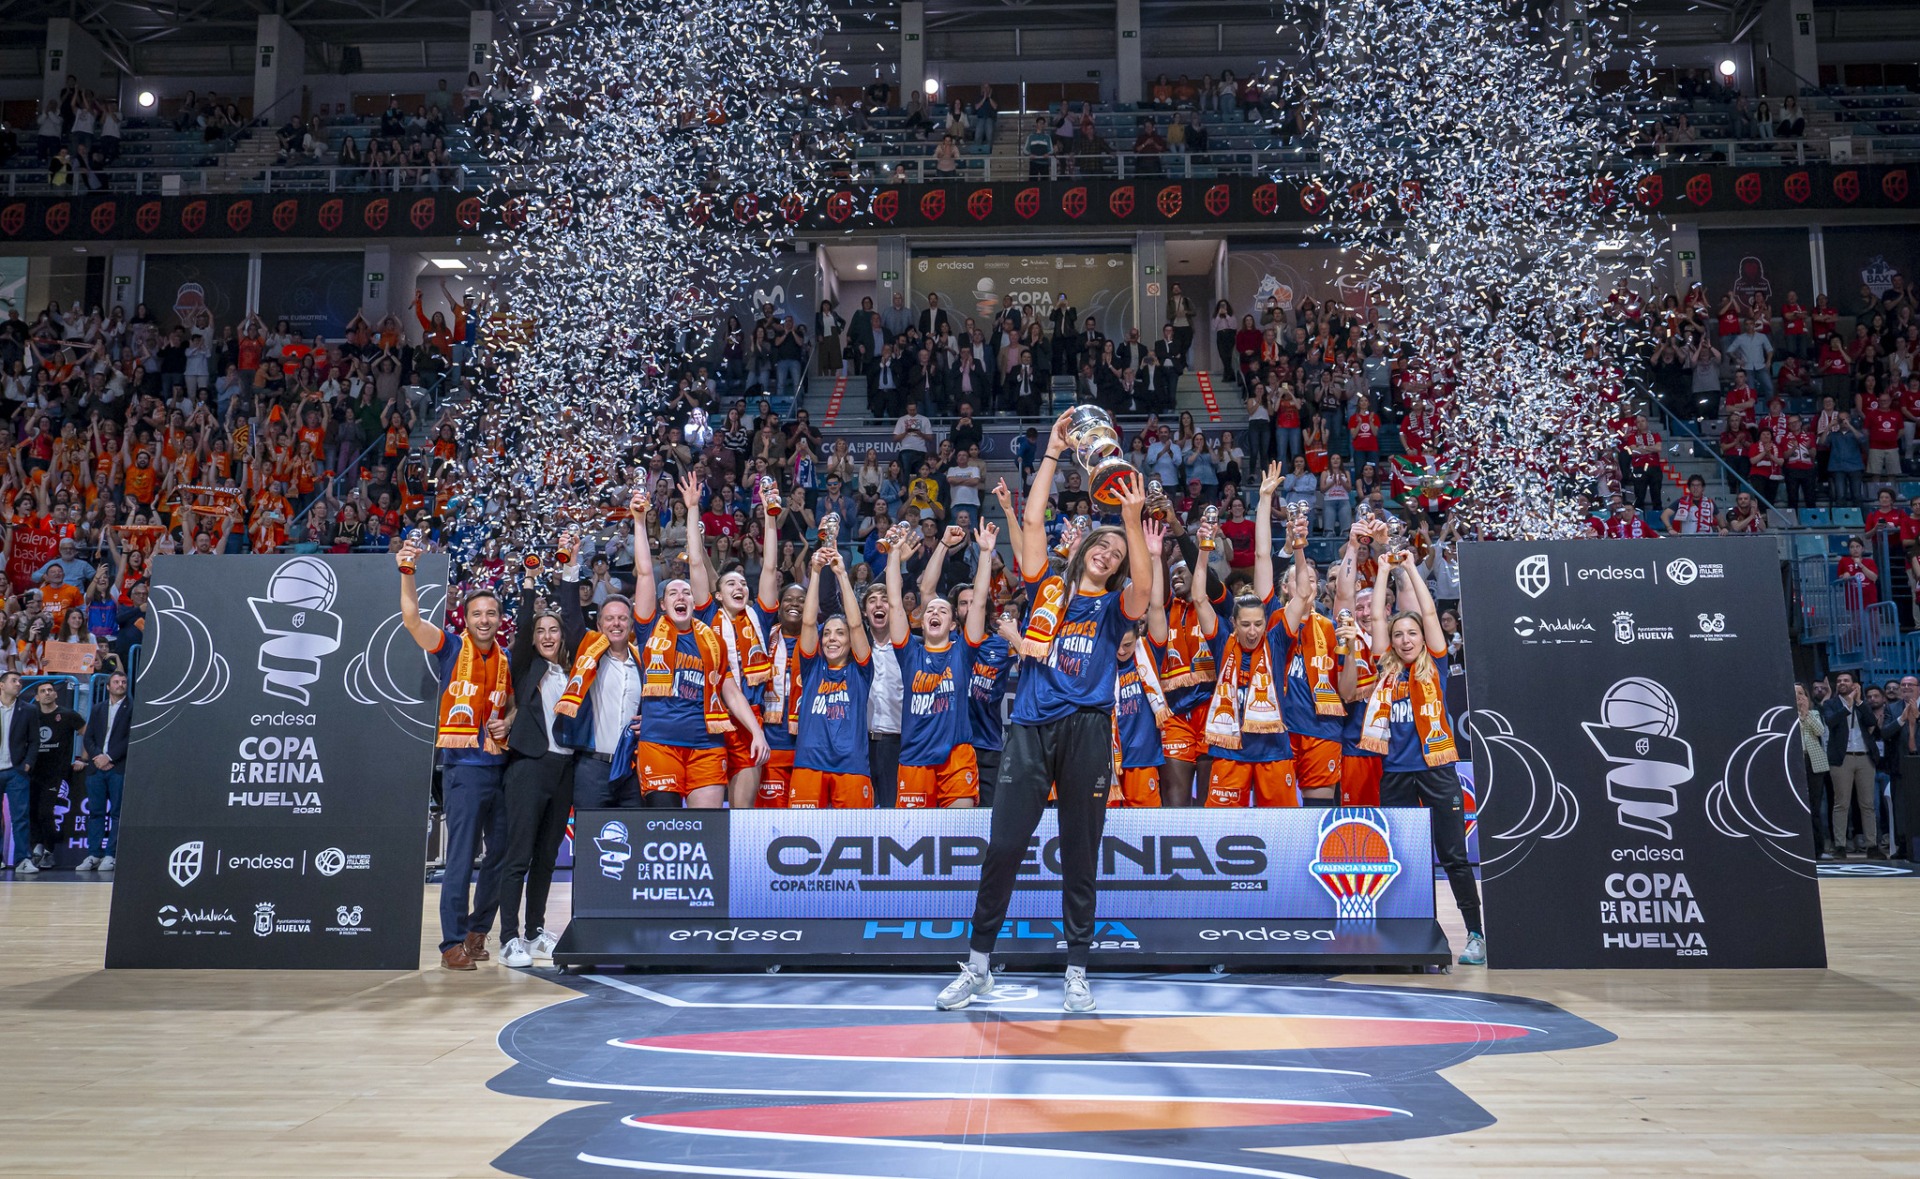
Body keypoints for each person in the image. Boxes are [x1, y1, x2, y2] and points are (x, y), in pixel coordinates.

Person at [938, 413, 1152, 1014]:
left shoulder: (1115, 609)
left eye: (1117, 552)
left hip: (1087, 729)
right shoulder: (1047, 589)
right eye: (1101, 545)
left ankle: (1077, 969)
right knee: (1003, 847)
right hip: (1030, 729)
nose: (1109, 555)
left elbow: (1143, 591)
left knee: (1081, 853)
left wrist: (1131, 519)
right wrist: (1055, 450)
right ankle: (978, 965)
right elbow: (1031, 521)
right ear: (1081, 549)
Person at [1345, 532, 1486, 966]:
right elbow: (1375, 626)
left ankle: (1476, 935)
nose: (1406, 639)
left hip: (1437, 768)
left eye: (1412, 634)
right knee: (1402, 861)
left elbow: (1428, 610)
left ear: (1423, 639)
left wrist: (1408, 564)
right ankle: (1416, 935)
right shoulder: (1386, 667)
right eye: (1399, 634)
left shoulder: (1437, 664)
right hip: (1397, 774)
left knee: (1454, 858)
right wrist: (1383, 567)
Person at [396, 535, 512, 971]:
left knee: (498, 858)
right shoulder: (450, 647)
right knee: (461, 860)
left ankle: (477, 932)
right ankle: (449, 945)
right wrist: (407, 573)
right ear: (465, 619)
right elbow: (411, 620)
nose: (484, 620)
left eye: (491, 613)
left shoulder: (505, 658)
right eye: (477, 614)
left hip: (501, 767)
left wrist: (510, 721)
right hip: (463, 768)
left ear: (500, 619)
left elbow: (513, 705)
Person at [630, 494, 768, 808]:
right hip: (660, 743)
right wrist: (639, 522)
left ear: (694, 603)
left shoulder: (710, 637)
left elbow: (730, 690)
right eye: (673, 592)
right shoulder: (649, 628)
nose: (681, 595)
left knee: (704, 834)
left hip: (706, 745)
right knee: (664, 830)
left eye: (687, 592)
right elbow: (644, 573)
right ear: (663, 605)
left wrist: (756, 732)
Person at [1187, 469, 1305, 808]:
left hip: (1273, 749)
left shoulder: (1277, 638)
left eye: (1258, 624)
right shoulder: (1223, 638)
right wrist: (1205, 550)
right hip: (1230, 748)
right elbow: (1199, 598)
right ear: (1235, 624)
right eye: (1246, 625)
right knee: (1221, 825)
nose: (1253, 631)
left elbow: (1289, 584)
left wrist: (1294, 540)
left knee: (1283, 829)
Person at [496, 568, 578, 969]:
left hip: (564, 769)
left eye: (554, 630)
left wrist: (570, 577)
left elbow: (577, 621)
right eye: (541, 630)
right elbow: (525, 623)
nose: (547, 635)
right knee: (519, 856)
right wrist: (528, 585)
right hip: (529, 767)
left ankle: (534, 931)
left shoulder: (573, 671)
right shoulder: (527, 666)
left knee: (547, 856)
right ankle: (508, 938)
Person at [887, 522, 996, 807]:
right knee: (913, 839)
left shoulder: (962, 651)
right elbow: (895, 603)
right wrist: (893, 555)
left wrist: (985, 553)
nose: (935, 612)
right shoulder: (909, 652)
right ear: (921, 621)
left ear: (952, 623)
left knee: (958, 834)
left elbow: (980, 603)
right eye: (930, 610)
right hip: (914, 758)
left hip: (957, 757)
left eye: (943, 610)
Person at [791, 543, 874, 808]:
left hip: (851, 765)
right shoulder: (812, 667)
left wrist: (841, 575)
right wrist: (814, 572)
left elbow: (856, 623)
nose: (831, 639)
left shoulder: (860, 670)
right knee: (801, 837)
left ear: (851, 641)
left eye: (839, 633)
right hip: (809, 763)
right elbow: (807, 622)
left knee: (853, 841)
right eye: (826, 633)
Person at [1822, 670, 1885, 859]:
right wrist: (1847, 705)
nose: (1842, 683)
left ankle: (1872, 845)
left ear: (1854, 684)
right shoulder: (1831, 704)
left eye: (1846, 680)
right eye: (1839, 681)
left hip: (1864, 756)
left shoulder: (1862, 704)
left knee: (1868, 804)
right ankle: (1840, 845)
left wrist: (1857, 702)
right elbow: (1831, 722)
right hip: (1842, 758)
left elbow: (1871, 721)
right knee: (1841, 803)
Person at [73, 669, 129, 872]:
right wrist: (98, 756)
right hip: (97, 768)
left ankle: (111, 855)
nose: (120, 685)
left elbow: (130, 738)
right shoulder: (98, 708)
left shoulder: (132, 709)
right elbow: (88, 737)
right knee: (96, 813)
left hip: (117, 767)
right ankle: (93, 854)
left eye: (123, 682)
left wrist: (110, 757)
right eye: (116, 682)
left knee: (116, 813)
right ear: (108, 686)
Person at [0, 674, 33, 874]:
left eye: (20, 681)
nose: (19, 684)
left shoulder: (28, 710)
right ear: (2, 685)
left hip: (16, 770)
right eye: (14, 681)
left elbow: (35, 741)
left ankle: (23, 859)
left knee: (20, 817)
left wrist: (28, 763)